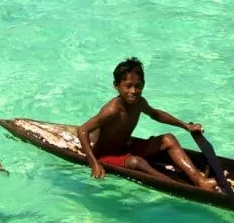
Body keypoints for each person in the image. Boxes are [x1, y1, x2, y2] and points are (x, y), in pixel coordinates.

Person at [78, 57, 216, 191]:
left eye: (138, 86)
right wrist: (93, 163)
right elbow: (82, 130)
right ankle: (175, 186)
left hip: (125, 149)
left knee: (168, 139)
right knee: (135, 162)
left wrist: (186, 126)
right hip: (105, 156)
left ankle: (199, 180)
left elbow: (156, 114)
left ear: (143, 85)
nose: (133, 91)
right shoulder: (112, 109)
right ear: (116, 86)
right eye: (128, 86)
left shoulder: (139, 103)